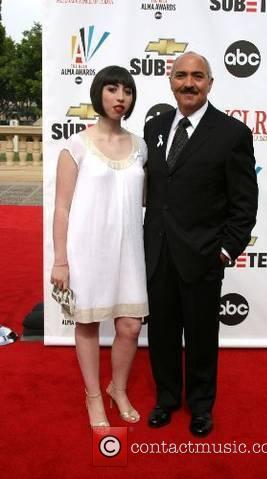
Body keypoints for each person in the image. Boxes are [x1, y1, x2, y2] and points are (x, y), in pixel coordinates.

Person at [143, 52, 258, 436]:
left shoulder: (231, 133)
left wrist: (224, 251)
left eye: (197, 76)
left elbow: (244, 203)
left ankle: (201, 406)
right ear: (169, 80)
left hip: (203, 256)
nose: (188, 83)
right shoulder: (155, 127)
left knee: (202, 337)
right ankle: (167, 399)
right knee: (160, 333)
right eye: (181, 76)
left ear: (210, 83)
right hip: (157, 254)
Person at [51, 66, 148, 428]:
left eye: (127, 90)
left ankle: (117, 388)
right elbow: (62, 207)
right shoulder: (76, 145)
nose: (120, 97)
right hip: (87, 250)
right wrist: (60, 261)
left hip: (130, 251)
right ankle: (93, 395)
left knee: (130, 327)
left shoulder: (140, 147)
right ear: (98, 93)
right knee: (88, 324)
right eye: (112, 89)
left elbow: (147, 199)